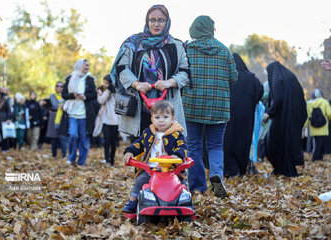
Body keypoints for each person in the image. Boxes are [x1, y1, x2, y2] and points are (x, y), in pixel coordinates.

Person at [110, 4, 190, 139]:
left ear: (167, 22)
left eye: (161, 20)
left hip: (167, 109)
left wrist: (168, 83)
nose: (156, 24)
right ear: (147, 21)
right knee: (140, 148)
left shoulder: (177, 45)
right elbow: (121, 68)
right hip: (139, 107)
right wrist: (137, 84)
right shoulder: (133, 43)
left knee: (167, 150)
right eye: (152, 20)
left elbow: (186, 72)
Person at [182, 15, 238, 197]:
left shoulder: (186, 50)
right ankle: (216, 174)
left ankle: (197, 186)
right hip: (219, 108)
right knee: (215, 146)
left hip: (192, 106)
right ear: (211, 29)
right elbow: (234, 77)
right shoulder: (224, 50)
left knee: (193, 146)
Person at [122, 100, 187, 213]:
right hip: (151, 170)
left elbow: (182, 147)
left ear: (172, 119)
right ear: (152, 119)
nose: (161, 120)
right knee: (139, 181)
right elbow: (139, 144)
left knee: (182, 184)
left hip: (172, 170)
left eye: (165, 117)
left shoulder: (177, 134)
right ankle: (133, 201)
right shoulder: (148, 133)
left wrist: (176, 156)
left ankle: (185, 202)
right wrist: (130, 151)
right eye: (157, 117)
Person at [262, 61, 307, 177]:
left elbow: (277, 98)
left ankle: (283, 168)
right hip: (293, 116)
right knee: (287, 142)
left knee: (272, 142)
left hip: (282, 118)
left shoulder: (278, 80)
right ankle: (282, 169)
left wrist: (269, 113)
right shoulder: (290, 77)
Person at [223, 53, 264, 177]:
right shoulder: (250, 77)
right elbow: (260, 90)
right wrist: (252, 102)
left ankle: (229, 169)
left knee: (227, 142)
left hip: (227, 115)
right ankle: (241, 168)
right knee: (243, 141)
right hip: (245, 117)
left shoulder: (226, 76)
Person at [62, 59, 97, 167]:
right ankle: (71, 158)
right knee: (73, 135)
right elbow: (64, 94)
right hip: (72, 113)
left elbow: (94, 95)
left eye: (88, 65)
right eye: (85, 65)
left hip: (85, 114)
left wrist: (84, 97)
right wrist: (73, 95)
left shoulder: (90, 79)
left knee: (84, 139)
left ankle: (81, 161)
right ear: (79, 65)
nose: (87, 67)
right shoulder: (69, 78)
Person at [96, 74, 120, 166]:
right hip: (105, 120)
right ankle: (107, 160)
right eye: (104, 82)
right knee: (106, 141)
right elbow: (101, 100)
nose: (104, 84)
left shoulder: (116, 91)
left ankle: (112, 160)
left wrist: (113, 90)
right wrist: (107, 91)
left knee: (113, 142)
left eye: (107, 83)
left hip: (115, 120)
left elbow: (119, 102)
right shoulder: (100, 90)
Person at [304, 89, 331, 161]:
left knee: (317, 143)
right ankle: (315, 159)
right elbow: (329, 113)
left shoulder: (309, 104)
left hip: (313, 127)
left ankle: (320, 159)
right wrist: (328, 119)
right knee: (320, 144)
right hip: (323, 127)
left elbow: (307, 116)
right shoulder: (325, 102)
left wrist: (305, 125)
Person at [46, 81, 68, 158]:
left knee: (63, 137)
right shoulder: (52, 96)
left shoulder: (66, 96)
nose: (59, 87)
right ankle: (54, 154)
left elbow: (66, 106)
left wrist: (63, 105)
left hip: (63, 117)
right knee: (53, 137)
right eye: (57, 86)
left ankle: (64, 154)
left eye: (61, 86)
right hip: (53, 117)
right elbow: (54, 105)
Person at [0, 87, 13, 153]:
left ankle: (6, 148)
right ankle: (3, 148)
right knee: (1, 133)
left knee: (5, 134)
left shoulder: (7, 99)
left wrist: (8, 118)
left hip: (4, 118)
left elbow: (9, 110)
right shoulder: (0, 100)